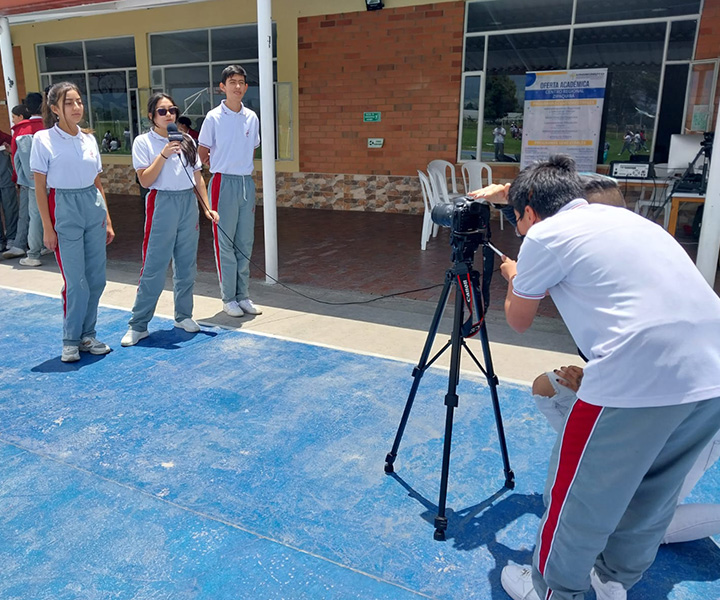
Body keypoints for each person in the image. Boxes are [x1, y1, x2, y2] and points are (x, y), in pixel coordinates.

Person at [470, 155, 720, 600]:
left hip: (634, 379)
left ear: (529, 212)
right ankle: (613, 581)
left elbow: (520, 320)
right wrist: (507, 193)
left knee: (578, 498)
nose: (518, 228)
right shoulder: (624, 219)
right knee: (653, 494)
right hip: (710, 375)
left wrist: (514, 275)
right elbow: (544, 197)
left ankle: (552, 589)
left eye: (517, 219)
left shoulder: (544, 235)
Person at [121, 92, 219, 347]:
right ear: (152, 115)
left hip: (187, 203)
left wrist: (206, 207)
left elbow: (197, 177)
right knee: (154, 266)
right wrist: (163, 154)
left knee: (187, 265)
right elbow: (145, 180)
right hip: (161, 202)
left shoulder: (186, 140)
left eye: (172, 110)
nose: (169, 115)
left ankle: (183, 315)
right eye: (162, 111)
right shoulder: (143, 142)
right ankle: (139, 324)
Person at [30, 82, 115, 362]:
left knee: (97, 279)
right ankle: (70, 339)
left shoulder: (89, 139)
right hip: (64, 208)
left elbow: (97, 182)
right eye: (69, 103)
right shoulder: (43, 140)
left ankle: (88, 334)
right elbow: (39, 188)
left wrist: (108, 220)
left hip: (93, 208)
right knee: (75, 281)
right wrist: (47, 226)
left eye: (79, 101)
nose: (77, 107)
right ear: (55, 109)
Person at [198, 65, 262, 318]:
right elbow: (202, 155)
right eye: (232, 81)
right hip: (223, 182)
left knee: (245, 241)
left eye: (241, 82)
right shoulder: (213, 117)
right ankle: (228, 298)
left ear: (246, 87)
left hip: (246, 182)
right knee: (224, 242)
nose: (237, 86)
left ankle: (243, 295)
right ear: (222, 87)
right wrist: (221, 167)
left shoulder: (252, 117)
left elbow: (251, 149)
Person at [10, 92, 48, 266]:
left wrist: (23, 179)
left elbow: (16, 159)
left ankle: (33, 254)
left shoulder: (20, 131)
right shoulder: (50, 127)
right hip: (54, 181)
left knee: (35, 215)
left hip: (31, 183)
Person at [0, 131, 17, 253]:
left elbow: (13, 143)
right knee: (10, 207)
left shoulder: (4, 137)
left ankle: (12, 237)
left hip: (5, 177)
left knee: (10, 208)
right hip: (5, 176)